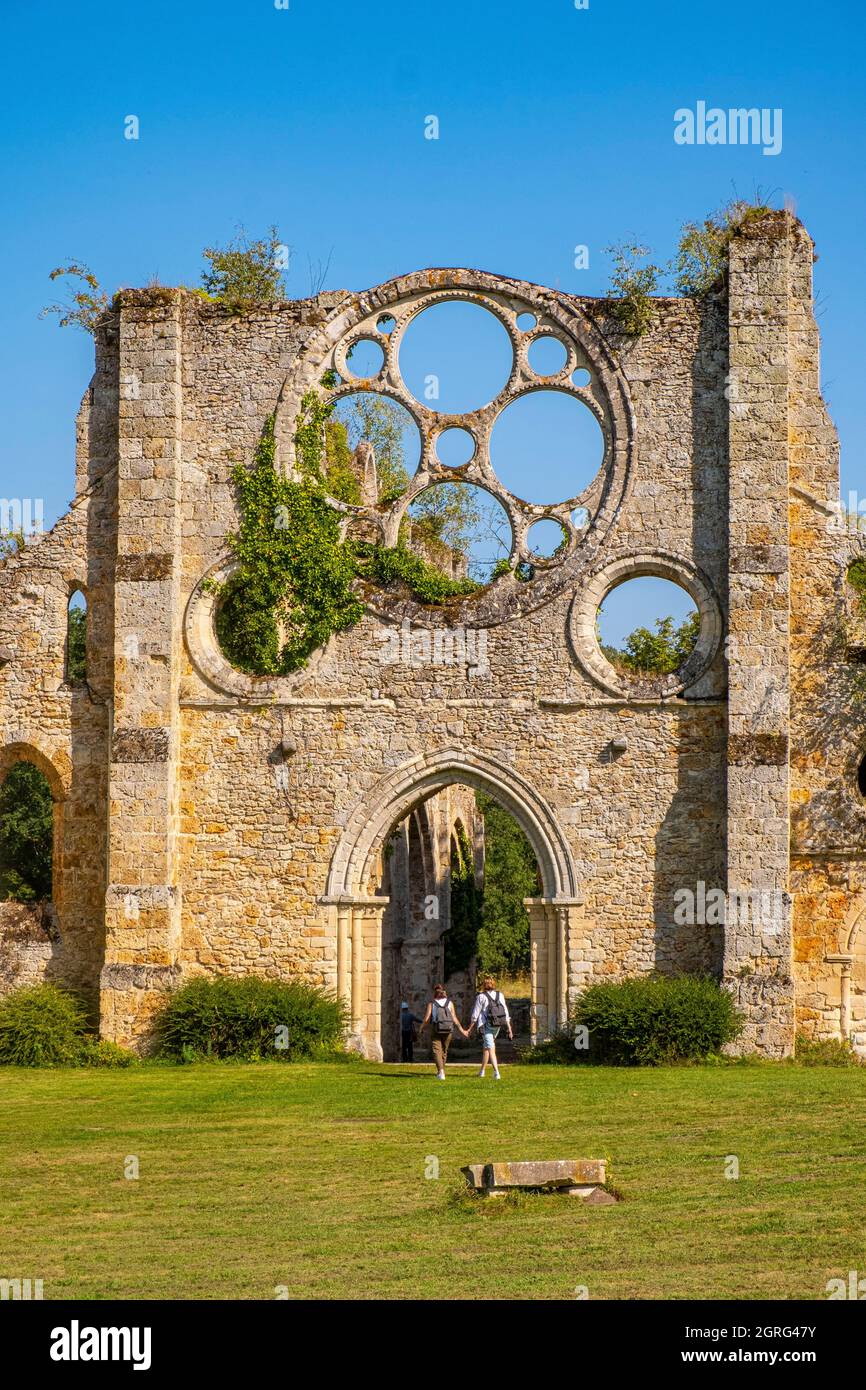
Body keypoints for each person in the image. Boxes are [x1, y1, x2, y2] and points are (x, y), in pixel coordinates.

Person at [419, 984, 468, 1080]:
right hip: (448, 1029)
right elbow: (454, 1018)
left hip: (436, 1028)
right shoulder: (449, 1003)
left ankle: (441, 1071)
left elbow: (426, 1019)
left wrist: (421, 1028)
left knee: (436, 1050)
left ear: (435, 993)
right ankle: (441, 1071)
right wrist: (462, 1030)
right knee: (444, 1051)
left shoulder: (432, 1003)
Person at [467, 975, 512, 1079]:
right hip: (497, 1025)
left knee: (491, 1049)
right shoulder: (500, 995)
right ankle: (482, 1071)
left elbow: (475, 1014)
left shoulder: (481, 997)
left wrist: (470, 1028)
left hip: (486, 1026)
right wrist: (509, 1028)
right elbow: (505, 1011)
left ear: (484, 985)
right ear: (493, 984)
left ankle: (497, 1072)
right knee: (487, 1048)